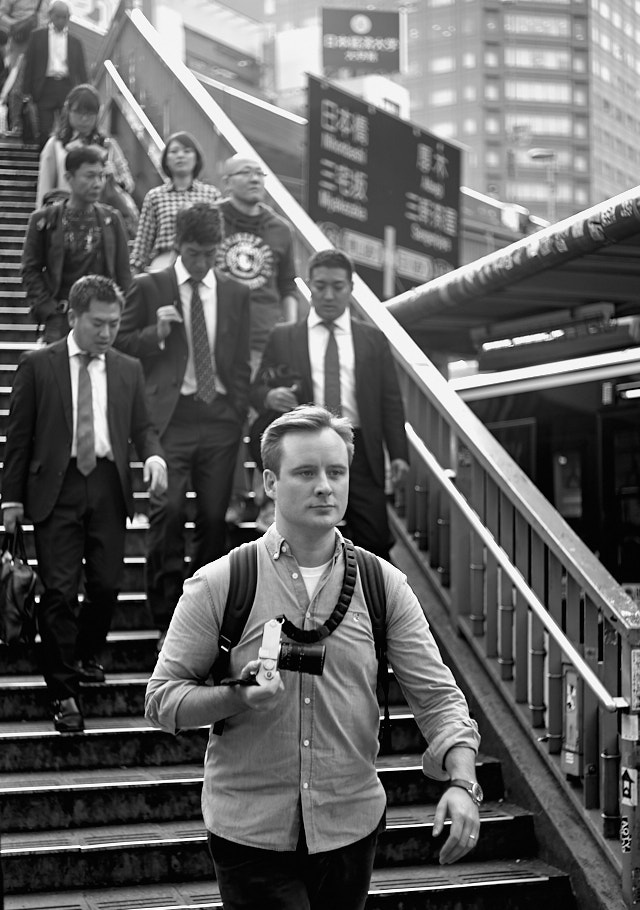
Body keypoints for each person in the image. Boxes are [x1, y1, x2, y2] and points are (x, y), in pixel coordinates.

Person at [145, 404, 481, 910]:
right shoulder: (221, 583)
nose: (325, 486)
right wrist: (239, 696)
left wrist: (462, 780)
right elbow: (163, 700)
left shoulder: (383, 585)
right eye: (306, 472)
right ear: (270, 482)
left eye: (336, 472)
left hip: (350, 826)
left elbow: (437, 696)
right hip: (249, 830)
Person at [1, 275, 167, 734]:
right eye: (98, 323)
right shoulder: (38, 365)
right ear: (73, 317)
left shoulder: (127, 368)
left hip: (109, 488)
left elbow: (143, 427)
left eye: (114, 323)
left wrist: (153, 455)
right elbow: (18, 439)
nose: (108, 332)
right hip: (57, 489)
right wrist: (10, 499)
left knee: (108, 585)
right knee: (57, 590)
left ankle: (84, 652)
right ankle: (64, 693)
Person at [115, 202, 251, 638]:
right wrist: (154, 335)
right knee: (167, 513)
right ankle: (164, 620)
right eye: (194, 253)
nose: (202, 263)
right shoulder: (150, 286)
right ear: (179, 245)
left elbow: (241, 358)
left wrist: (238, 411)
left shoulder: (234, 292)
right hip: (168, 420)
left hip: (220, 418)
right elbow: (119, 344)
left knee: (214, 519)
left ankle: (204, 618)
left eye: (210, 254)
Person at [251, 249, 409, 560]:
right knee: (304, 537)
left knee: (374, 538)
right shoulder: (284, 337)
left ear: (351, 288)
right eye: (320, 286)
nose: (328, 295)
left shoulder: (372, 340)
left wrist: (399, 454)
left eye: (337, 286)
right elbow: (256, 386)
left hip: (359, 446)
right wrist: (268, 397)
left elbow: (390, 400)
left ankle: (372, 604)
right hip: (304, 444)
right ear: (309, 285)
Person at [21, 143, 132, 343]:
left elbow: (124, 273)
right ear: (69, 179)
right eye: (89, 176)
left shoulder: (111, 220)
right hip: (61, 316)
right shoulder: (44, 220)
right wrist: (48, 309)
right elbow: (30, 270)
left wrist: (119, 311)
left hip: (103, 316)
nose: (97, 183)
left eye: (101, 176)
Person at [216, 153, 298, 372]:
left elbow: (288, 285)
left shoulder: (280, 229)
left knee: (256, 402)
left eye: (259, 173)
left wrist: (289, 331)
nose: (255, 179)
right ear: (227, 183)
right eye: (245, 172)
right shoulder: (211, 218)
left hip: (263, 339)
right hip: (216, 335)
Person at [130, 131, 220, 273]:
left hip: (203, 264)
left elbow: (219, 238)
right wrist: (134, 270)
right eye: (174, 151)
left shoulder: (211, 194)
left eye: (187, 151)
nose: (180, 155)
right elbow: (143, 244)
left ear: (196, 158)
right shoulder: (155, 196)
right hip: (165, 264)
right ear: (166, 160)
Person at [36, 82, 134, 209]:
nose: (84, 119)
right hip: (64, 214)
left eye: (89, 114)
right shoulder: (56, 145)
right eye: (78, 113)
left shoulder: (107, 145)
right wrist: (43, 216)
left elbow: (129, 184)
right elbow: (45, 187)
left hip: (101, 216)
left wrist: (115, 176)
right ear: (68, 111)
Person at [22, 0, 87, 149]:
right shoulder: (37, 36)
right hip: (44, 87)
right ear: (50, 16)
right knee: (44, 131)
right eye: (58, 16)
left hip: (67, 88)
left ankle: (64, 164)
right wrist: (26, 92)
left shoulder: (75, 42)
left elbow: (82, 71)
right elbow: (29, 66)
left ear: (68, 18)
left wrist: (85, 91)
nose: (61, 21)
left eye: (64, 17)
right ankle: (43, 165)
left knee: (68, 130)